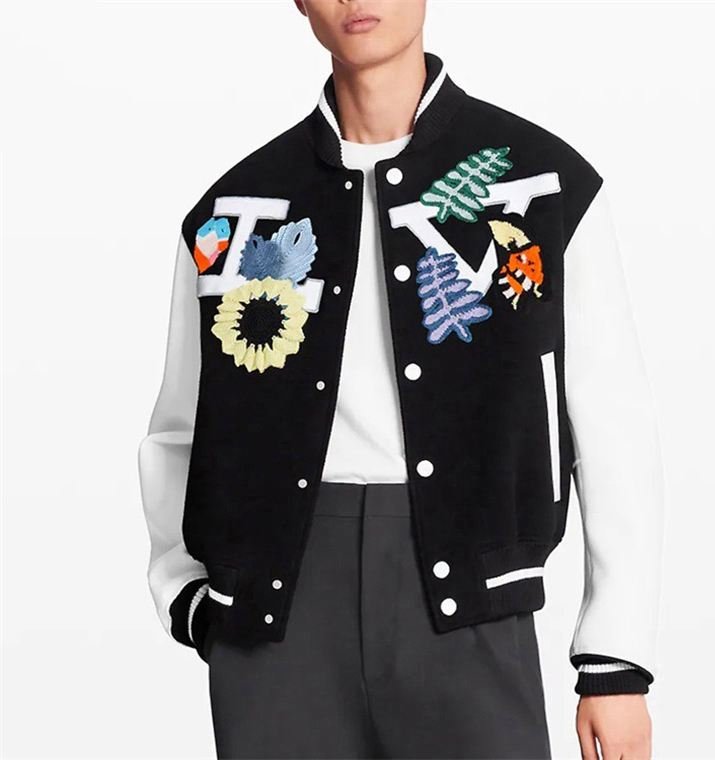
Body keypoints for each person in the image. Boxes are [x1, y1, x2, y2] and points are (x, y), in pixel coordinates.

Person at [138, 1, 664, 758]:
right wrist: (184, 591)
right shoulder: (235, 211)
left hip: (470, 605)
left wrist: (615, 659)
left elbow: (613, 425)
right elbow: (183, 425)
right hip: (277, 622)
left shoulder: (544, 186)